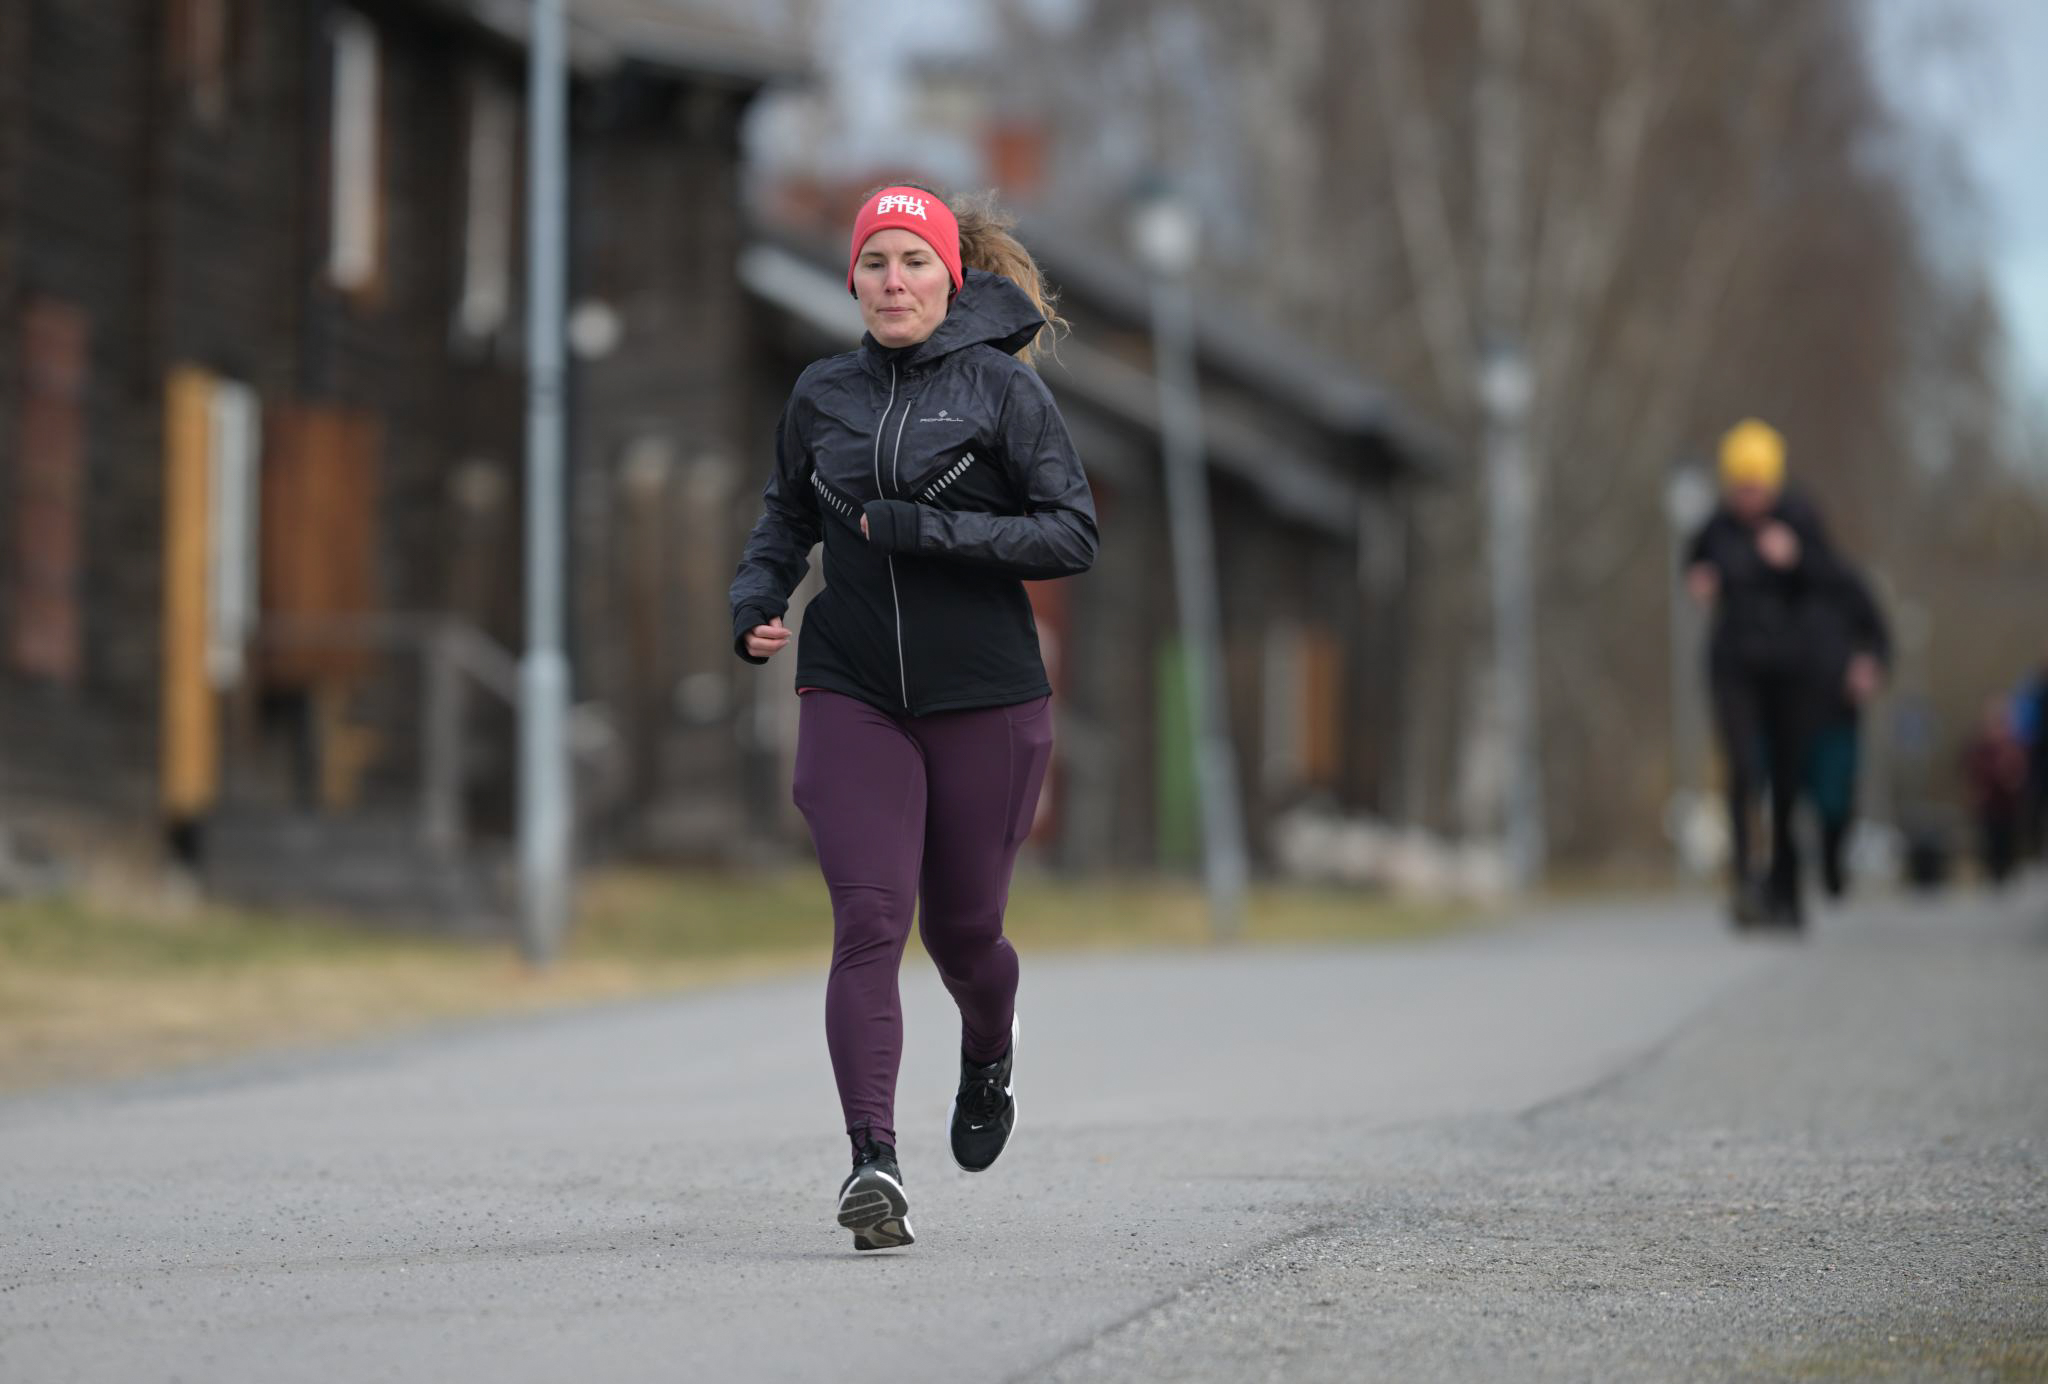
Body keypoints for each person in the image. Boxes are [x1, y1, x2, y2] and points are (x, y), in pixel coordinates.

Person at [729, 185, 1097, 1251]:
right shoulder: (821, 393)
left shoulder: (1002, 391)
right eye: (876, 262)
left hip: (985, 695)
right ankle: (872, 1162)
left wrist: (931, 531)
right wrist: (755, 597)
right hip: (851, 685)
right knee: (869, 921)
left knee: (962, 933)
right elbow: (786, 514)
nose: (894, 281)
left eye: (915, 262)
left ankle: (989, 1046)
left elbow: (1070, 533)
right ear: (852, 278)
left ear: (951, 276)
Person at [1685, 418, 1838, 929]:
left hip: (1791, 669)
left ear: (1773, 481)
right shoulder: (1716, 527)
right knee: (1744, 771)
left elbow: (1832, 583)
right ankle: (1745, 883)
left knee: (1788, 780)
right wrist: (1701, 582)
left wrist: (1796, 558)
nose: (1747, 497)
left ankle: (1786, 890)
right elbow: (1695, 566)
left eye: (1755, 486)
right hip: (1736, 667)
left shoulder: (1800, 519)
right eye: (1739, 487)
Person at [1800, 558, 1889, 900]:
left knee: (1835, 795)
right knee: (1784, 792)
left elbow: (1878, 635)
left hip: (1837, 710)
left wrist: (1870, 664)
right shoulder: (1769, 579)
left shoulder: (1844, 583)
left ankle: (1832, 862)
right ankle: (1783, 871)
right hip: (1784, 708)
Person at [1961, 695, 2028, 887]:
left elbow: (2018, 775)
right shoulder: (1980, 747)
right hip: (1989, 805)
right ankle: (1993, 874)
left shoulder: (2013, 746)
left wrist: (2012, 777)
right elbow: (1974, 773)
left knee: (2007, 841)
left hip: (2008, 806)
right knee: (1990, 841)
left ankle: (2006, 873)